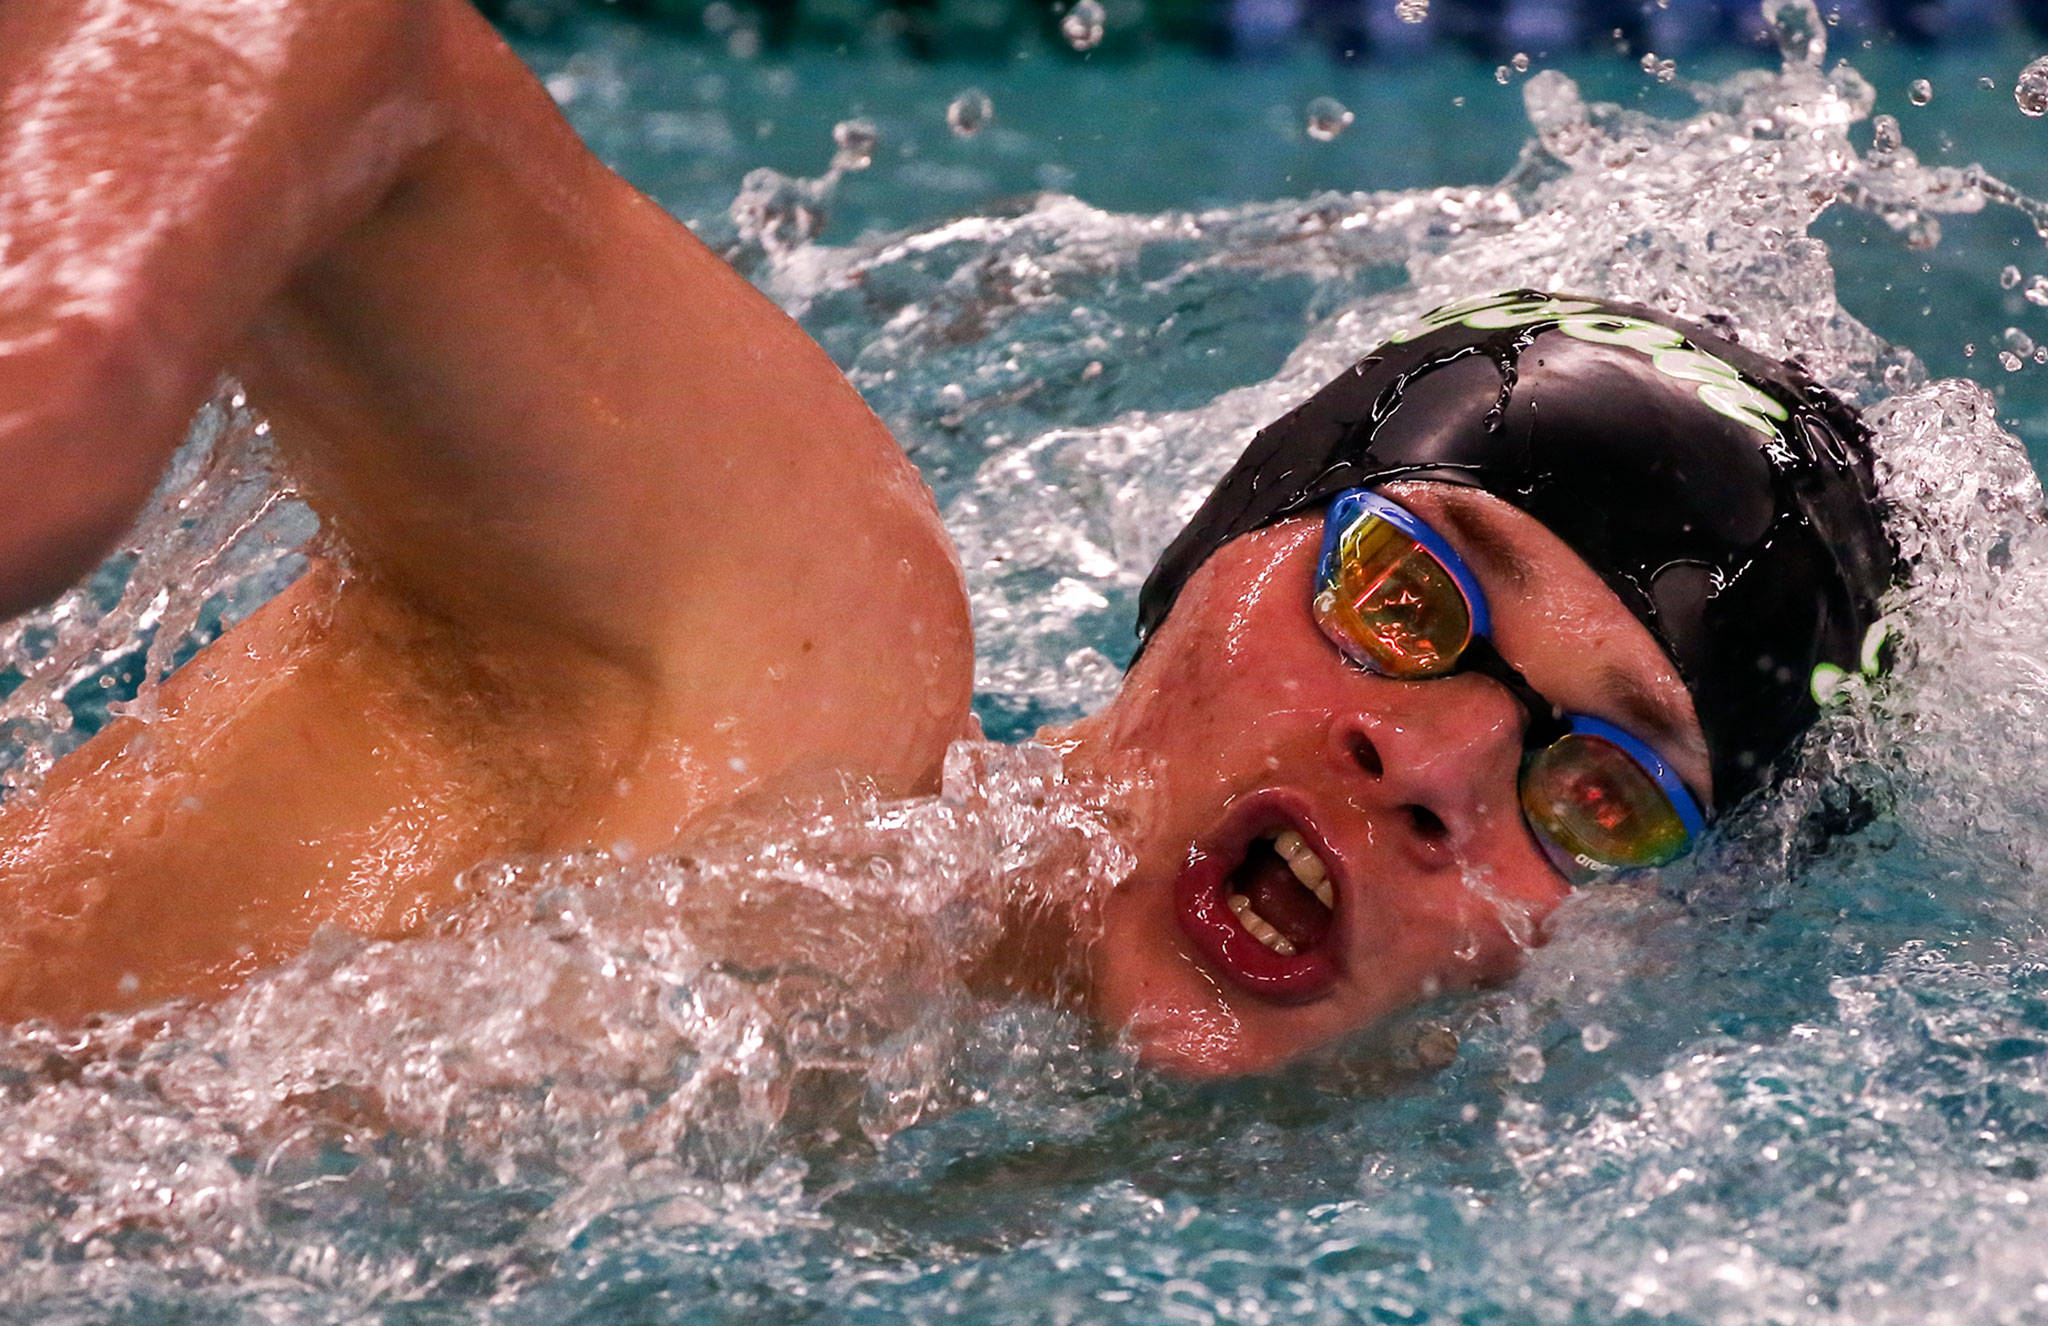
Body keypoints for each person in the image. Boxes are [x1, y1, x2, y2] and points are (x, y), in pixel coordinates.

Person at [0, 0, 1894, 1075]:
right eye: (1408, 595)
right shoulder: (785, 669)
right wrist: (68, 378)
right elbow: (345, 36)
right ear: (1218, 552)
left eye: (1608, 794)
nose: (1442, 768)